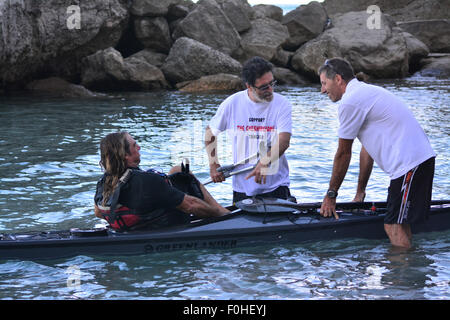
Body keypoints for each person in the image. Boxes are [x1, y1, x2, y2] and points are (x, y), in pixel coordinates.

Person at [318, 57, 436, 249]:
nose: (322, 90)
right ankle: (406, 271)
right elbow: (367, 149)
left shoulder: (350, 101)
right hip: (416, 162)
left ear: (338, 79)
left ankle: (402, 276)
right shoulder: (366, 92)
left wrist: (331, 195)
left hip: (409, 164)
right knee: (399, 222)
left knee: (392, 225)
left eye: (324, 83)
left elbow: (343, 153)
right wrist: (360, 192)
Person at [94, 131, 229, 231]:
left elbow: (99, 212)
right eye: (135, 146)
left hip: (134, 226)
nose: (139, 148)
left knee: (178, 170)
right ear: (125, 155)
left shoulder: (103, 182)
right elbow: (191, 205)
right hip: (163, 226)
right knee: (184, 174)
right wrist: (217, 215)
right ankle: (223, 213)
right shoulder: (147, 181)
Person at [205, 56, 293, 204]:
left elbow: (284, 141)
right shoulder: (232, 103)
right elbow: (210, 133)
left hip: (276, 186)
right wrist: (214, 165)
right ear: (249, 87)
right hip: (242, 189)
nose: (270, 90)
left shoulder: (282, 104)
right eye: (264, 87)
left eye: (272, 83)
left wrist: (264, 162)